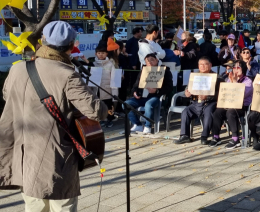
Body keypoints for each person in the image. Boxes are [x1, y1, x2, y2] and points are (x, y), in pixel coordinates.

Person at [0, 21, 108, 210]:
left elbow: (7, 96)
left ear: (42, 41)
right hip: (55, 157)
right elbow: (95, 111)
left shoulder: (17, 69)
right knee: (62, 205)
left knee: (34, 205)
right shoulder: (66, 74)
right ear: (71, 46)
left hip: (23, 153)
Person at [210, 60, 253, 149]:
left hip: (242, 106)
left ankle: (235, 139)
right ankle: (216, 137)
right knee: (218, 111)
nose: (236, 69)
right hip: (230, 103)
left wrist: (235, 82)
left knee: (231, 112)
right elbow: (226, 92)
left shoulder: (248, 81)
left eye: (238, 67)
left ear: (243, 69)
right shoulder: (229, 80)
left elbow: (241, 94)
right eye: (234, 67)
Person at [174, 57, 217, 145]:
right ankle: (184, 136)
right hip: (196, 102)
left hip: (210, 102)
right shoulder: (195, 76)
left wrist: (207, 97)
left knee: (208, 112)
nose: (203, 66)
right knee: (186, 111)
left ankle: (204, 136)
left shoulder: (216, 77)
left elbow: (220, 93)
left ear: (210, 65)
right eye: (201, 64)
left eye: (205, 64)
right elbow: (188, 87)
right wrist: (187, 92)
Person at [126, 53, 173, 134]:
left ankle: (148, 126)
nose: (150, 63)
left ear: (157, 60)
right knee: (126, 104)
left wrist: (157, 91)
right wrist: (134, 92)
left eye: (152, 60)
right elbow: (135, 85)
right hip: (141, 97)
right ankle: (137, 124)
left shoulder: (165, 70)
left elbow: (169, 87)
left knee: (148, 105)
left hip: (155, 97)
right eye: (147, 61)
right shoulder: (143, 71)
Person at [92, 45, 119, 128]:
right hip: (96, 89)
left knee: (108, 105)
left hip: (107, 89)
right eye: (99, 53)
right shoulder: (93, 64)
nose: (101, 55)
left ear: (106, 54)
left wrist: (115, 93)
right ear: (96, 54)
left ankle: (109, 119)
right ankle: (101, 119)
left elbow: (115, 79)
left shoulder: (110, 64)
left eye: (103, 53)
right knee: (98, 105)